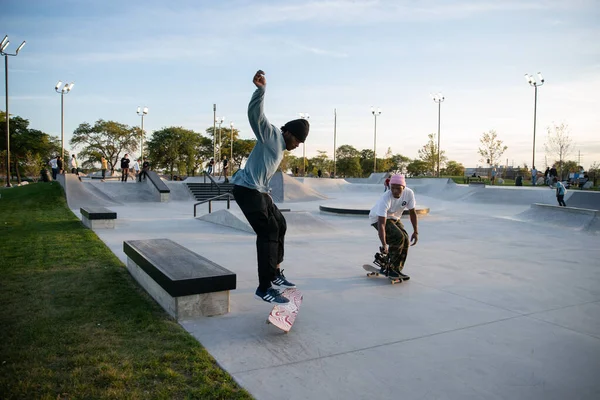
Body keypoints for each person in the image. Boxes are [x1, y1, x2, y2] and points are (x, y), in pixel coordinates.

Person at [231, 69, 309, 304]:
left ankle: (275, 273)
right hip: (246, 189)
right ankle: (264, 287)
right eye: (296, 141)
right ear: (288, 132)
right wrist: (261, 91)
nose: (296, 146)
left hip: (259, 191)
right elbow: (256, 116)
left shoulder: (281, 146)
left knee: (280, 224)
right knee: (267, 232)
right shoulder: (272, 134)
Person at [368, 174, 419, 280]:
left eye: (398, 188)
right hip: (377, 218)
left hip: (394, 217)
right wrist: (384, 244)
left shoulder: (409, 193)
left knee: (405, 239)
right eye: (393, 188)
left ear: (403, 187)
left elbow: (412, 213)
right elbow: (381, 223)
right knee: (398, 237)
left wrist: (415, 231)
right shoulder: (385, 198)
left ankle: (396, 269)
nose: (395, 191)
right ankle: (391, 268)